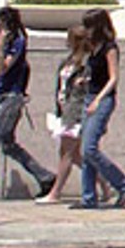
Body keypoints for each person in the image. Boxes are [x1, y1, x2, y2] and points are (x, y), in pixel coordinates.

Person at [0, 5, 57, 202]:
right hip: (4, 96)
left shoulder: (17, 43)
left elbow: (4, 68)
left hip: (10, 99)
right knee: (8, 145)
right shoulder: (10, 44)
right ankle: (45, 177)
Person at [75, 6, 125, 210]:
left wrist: (98, 100)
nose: (87, 30)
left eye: (90, 26)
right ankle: (88, 197)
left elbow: (113, 78)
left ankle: (123, 184)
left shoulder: (110, 48)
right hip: (90, 96)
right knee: (86, 149)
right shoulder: (94, 47)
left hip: (102, 99)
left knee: (89, 148)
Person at [37, 24, 92, 205]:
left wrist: (83, 83)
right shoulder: (67, 61)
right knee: (75, 155)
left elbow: (92, 86)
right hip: (64, 109)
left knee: (66, 153)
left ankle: (56, 192)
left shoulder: (86, 64)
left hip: (75, 111)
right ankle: (106, 184)